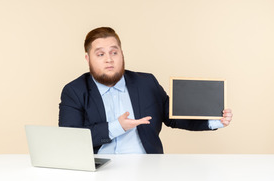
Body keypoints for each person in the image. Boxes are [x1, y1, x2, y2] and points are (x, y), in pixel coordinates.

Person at [58, 27, 233, 154]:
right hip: (99, 171)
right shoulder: (74, 91)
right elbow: (71, 139)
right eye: (100, 54)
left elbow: (173, 116)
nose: (109, 60)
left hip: (146, 169)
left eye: (114, 52)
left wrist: (215, 120)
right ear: (88, 59)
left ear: (122, 54)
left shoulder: (146, 83)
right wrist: (117, 127)